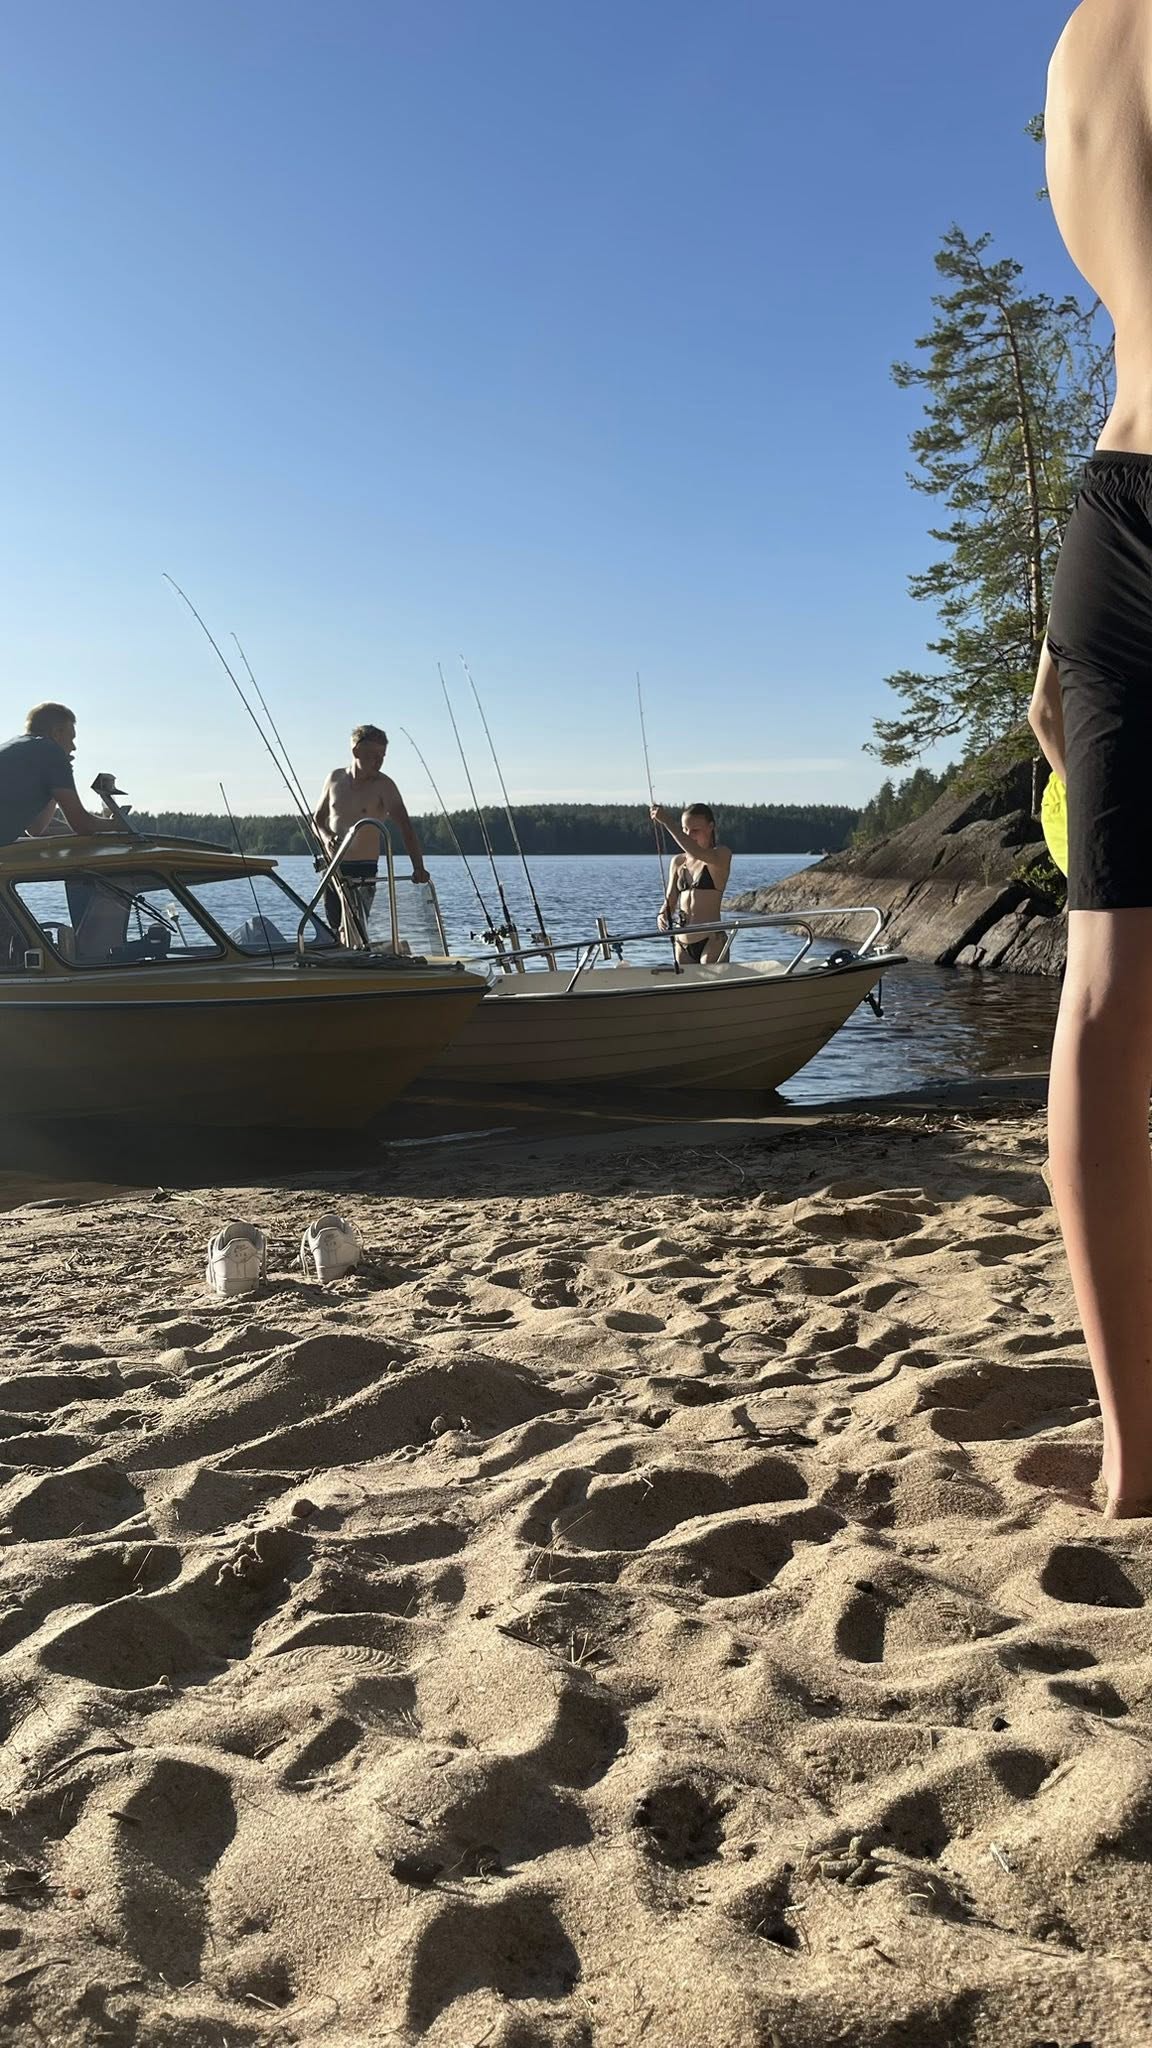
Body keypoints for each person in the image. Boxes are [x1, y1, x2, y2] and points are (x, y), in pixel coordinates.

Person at [1027, 0, 1152, 1517]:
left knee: (1105, 992)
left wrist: (1060, 635)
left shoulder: (1080, 47)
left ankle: (1135, 1455)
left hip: (1112, 519)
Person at [312, 724, 429, 938]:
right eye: (373, 755)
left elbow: (406, 827)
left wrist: (418, 867)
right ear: (356, 751)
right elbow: (317, 820)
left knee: (354, 928)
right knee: (335, 929)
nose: (378, 761)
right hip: (332, 867)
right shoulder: (334, 779)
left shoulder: (385, 786)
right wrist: (327, 837)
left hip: (363, 871)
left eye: (382, 756)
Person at [0, 704, 111, 845]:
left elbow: (36, 829)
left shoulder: (14, 747)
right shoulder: (50, 751)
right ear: (57, 733)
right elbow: (82, 824)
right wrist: (119, 825)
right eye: (71, 738)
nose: (74, 747)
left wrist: (57, 781)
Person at [650, 803, 733, 964]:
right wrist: (662, 915)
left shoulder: (721, 855)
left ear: (711, 827)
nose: (688, 835)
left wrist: (667, 821)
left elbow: (697, 852)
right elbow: (670, 900)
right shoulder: (678, 862)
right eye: (685, 830)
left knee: (709, 977)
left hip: (711, 939)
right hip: (682, 942)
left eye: (695, 830)